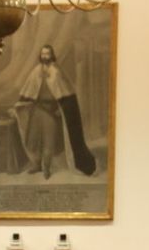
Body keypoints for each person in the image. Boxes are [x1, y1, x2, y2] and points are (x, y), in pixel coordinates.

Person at [15, 44, 95, 179]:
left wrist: (60, 108)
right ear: (40, 55)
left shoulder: (57, 72)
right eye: (43, 54)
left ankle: (46, 167)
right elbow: (28, 90)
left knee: (49, 140)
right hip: (36, 110)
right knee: (33, 139)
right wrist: (20, 103)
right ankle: (36, 165)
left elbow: (65, 92)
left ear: (52, 55)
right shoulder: (36, 71)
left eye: (47, 54)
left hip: (51, 111)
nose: (45, 56)